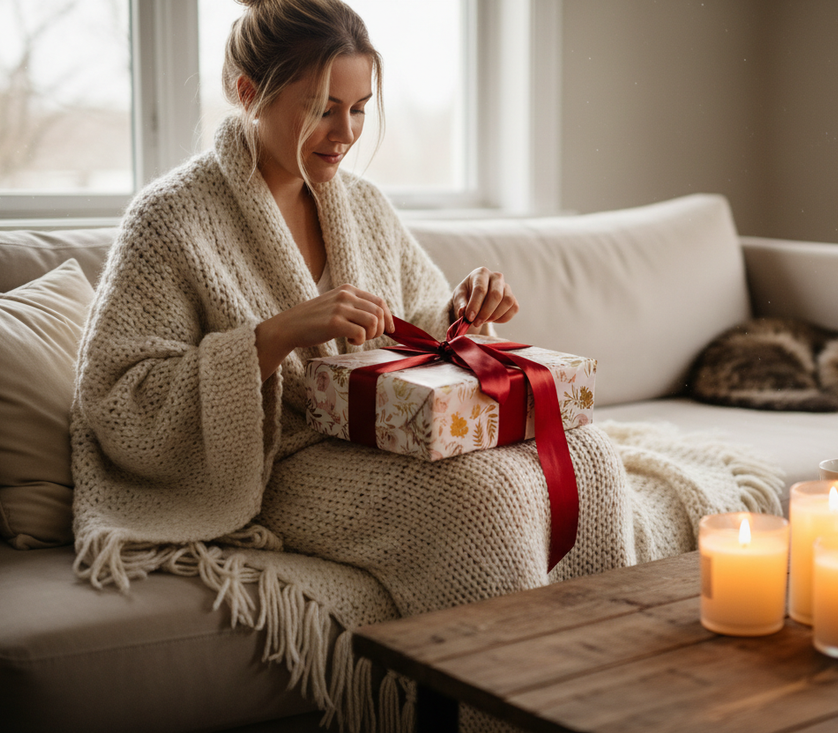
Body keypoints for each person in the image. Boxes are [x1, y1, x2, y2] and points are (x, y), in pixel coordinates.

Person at [70, 1, 782, 728]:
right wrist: (275, 334)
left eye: (358, 109)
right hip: (275, 458)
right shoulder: (170, 218)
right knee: (484, 504)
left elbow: (423, 327)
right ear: (249, 91)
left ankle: (597, 696)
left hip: (384, 436)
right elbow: (121, 397)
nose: (344, 134)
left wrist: (467, 308)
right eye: (321, 110)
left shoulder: (364, 206)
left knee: (586, 455)